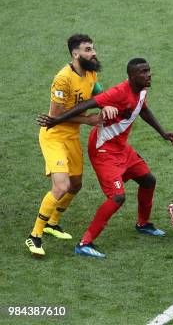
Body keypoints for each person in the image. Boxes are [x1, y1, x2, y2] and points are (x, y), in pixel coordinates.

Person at [37, 58, 173, 258]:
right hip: (103, 150)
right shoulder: (119, 92)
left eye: (149, 70)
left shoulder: (142, 90)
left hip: (121, 148)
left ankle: (143, 224)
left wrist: (163, 133)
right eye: (143, 72)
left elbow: (143, 110)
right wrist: (56, 120)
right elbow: (88, 103)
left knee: (148, 180)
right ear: (131, 76)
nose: (149, 75)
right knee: (117, 197)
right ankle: (84, 244)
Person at [26, 34, 111, 257]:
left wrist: (107, 106)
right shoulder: (62, 79)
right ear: (75, 54)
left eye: (93, 48)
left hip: (71, 137)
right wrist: (89, 120)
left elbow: (100, 95)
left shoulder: (91, 72)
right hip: (54, 136)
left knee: (76, 185)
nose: (94, 53)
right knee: (61, 186)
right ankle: (35, 236)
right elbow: (55, 116)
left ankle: (53, 224)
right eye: (88, 49)